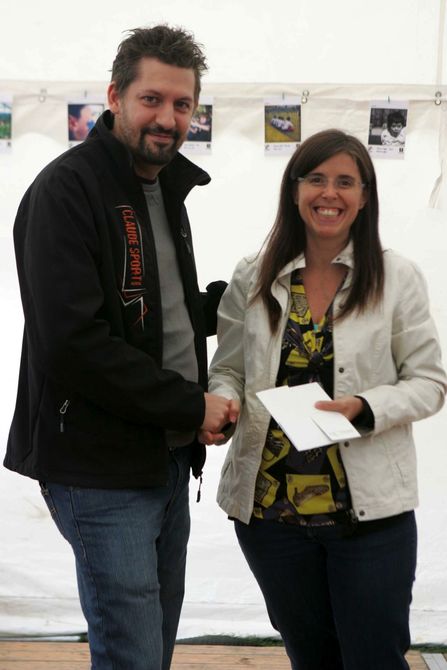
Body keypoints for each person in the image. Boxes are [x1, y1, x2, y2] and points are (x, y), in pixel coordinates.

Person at [5, 25, 233, 670]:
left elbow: (154, 317)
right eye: (151, 99)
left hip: (165, 457)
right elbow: (74, 344)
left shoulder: (166, 187)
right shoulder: (67, 191)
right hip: (97, 466)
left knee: (152, 642)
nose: (167, 118)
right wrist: (191, 406)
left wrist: (243, 302)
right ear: (115, 96)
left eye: (182, 104)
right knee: (132, 649)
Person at [202, 129, 446, 670]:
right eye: (315, 179)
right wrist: (223, 402)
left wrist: (364, 407)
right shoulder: (253, 273)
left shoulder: (397, 277)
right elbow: (229, 368)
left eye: (345, 182)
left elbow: (429, 383)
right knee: (312, 658)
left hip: (369, 518)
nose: (329, 193)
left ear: (364, 195)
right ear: (294, 190)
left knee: (375, 658)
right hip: (271, 517)